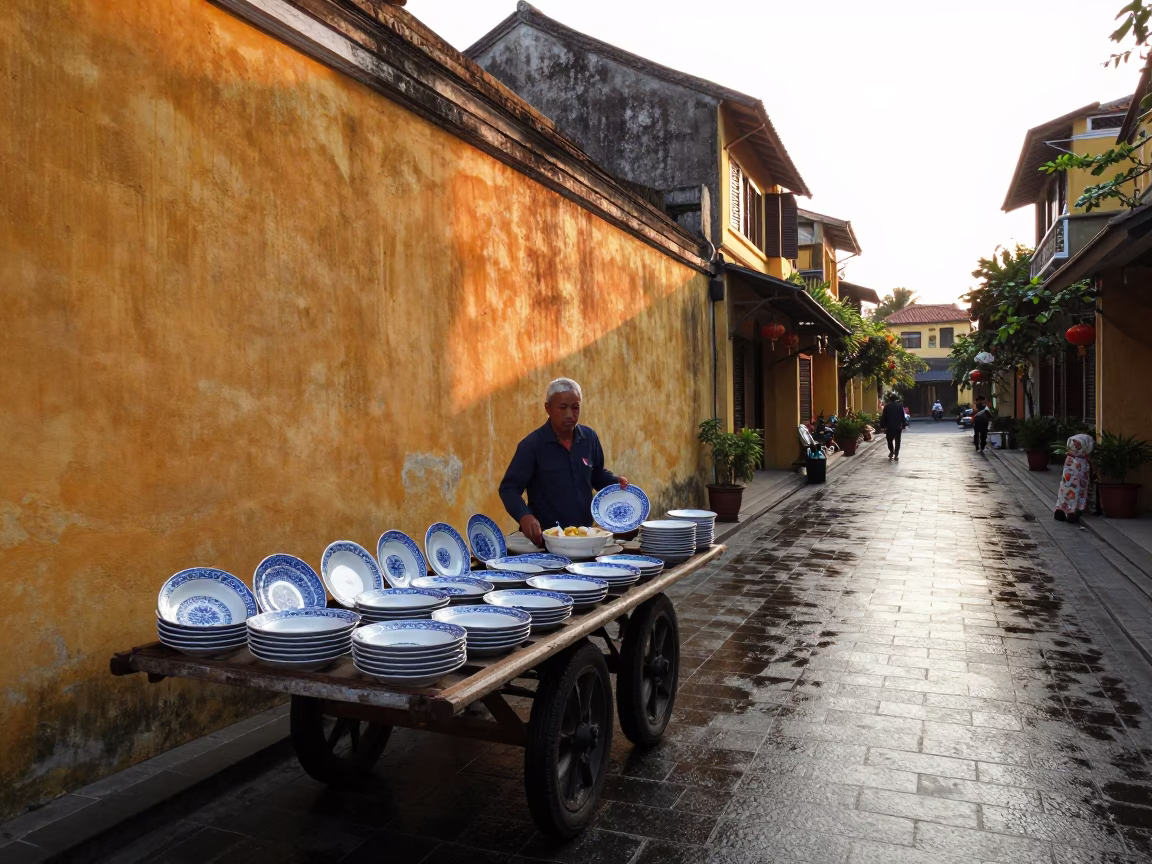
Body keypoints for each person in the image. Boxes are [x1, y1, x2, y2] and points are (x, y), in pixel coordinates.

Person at [499, 378, 627, 547]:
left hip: (583, 538)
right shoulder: (531, 446)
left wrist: (614, 482)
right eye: (563, 408)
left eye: (575, 407)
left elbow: (596, 474)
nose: (569, 414)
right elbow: (509, 489)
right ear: (548, 408)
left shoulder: (589, 438)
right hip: (546, 542)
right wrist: (525, 516)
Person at [1055, 434, 1094, 523]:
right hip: (1077, 482)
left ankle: (1060, 510)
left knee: (1064, 492)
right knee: (1076, 493)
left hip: (1066, 481)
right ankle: (1072, 512)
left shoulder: (1069, 457)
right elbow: (1083, 472)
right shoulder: (1082, 460)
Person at [879, 393, 908, 461]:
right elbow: (902, 417)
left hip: (889, 427)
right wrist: (903, 425)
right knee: (897, 440)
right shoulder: (899, 406)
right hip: (898, 426)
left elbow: (884, 417)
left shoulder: (887, 406)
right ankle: (896, 455)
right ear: (896, 399)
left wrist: (882, 425)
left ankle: (892, 451)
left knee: (889, 440)